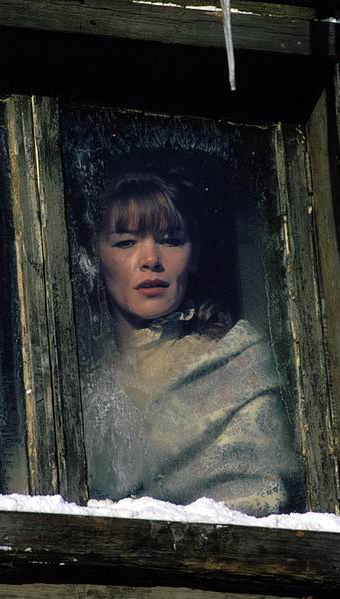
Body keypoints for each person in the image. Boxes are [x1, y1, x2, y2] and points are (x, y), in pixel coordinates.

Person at [82, 171, 302, 517]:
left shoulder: (233, 362)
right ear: (95, 256)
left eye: (171, 241)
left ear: (194, 255)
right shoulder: (77, 382)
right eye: (125, 242)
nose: (150, 259)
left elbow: (258, 502)